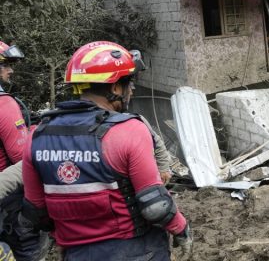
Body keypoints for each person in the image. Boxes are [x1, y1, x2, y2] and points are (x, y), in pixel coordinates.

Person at [20, 41, 192, 261]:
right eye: (128, 83)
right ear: (114, 88)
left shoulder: (38, 135)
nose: (131, 90)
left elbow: (35, 211)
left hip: (76, 253)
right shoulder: (128, 130)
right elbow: (155, 205)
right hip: (136, 250)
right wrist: (181, 229)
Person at [0, 41, 44, 261]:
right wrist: (34, 132)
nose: (11, 70)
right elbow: (21, 156)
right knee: (26, 249)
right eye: (5, 65)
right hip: (7, 201)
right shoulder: (5, 104)